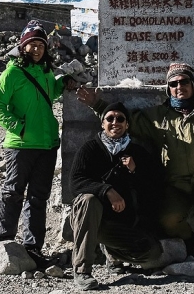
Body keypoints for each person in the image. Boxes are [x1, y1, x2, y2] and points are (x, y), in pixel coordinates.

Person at [77, 63, 194, 284]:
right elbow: (125, 121)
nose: (179, 87)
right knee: (168, 219)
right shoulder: (158, 117)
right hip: (176, 184)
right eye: (174, 83)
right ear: (168, 89)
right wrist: (97, 104)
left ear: (193, 85)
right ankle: (189, 244)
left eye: (184, 82)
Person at [0, 20, 77, 269]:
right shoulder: (12, 72)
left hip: (47, 144)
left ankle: (33, 247)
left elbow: (50, 94)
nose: (36, 49)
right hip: (21, 145)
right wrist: (19, 127)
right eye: (32, 45)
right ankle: (4, 241)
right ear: (22, 46)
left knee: (39, 197)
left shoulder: (47, 71)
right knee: (13, 191)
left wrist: (63, 82)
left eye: (40, 45)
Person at [69, 102, 164, 290]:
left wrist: (135, 171)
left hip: (119, 225)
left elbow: (153, 189)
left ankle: (112, 252)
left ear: (127, 125)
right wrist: (107, 191)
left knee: (153, 252)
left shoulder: (137, 152)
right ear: (102, 124)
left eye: (120, 118)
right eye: (110, 118)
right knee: (89, 200)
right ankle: (82, 270)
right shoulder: (90, 149)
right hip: (89, 218)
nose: (115, 122)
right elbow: (76, 183)